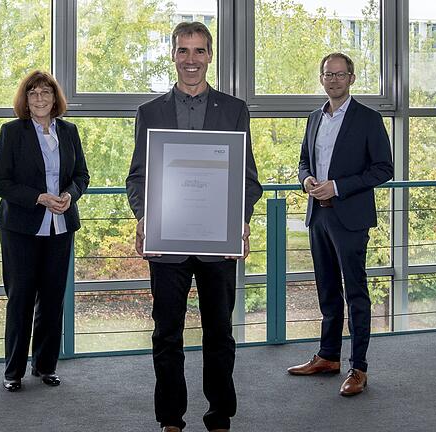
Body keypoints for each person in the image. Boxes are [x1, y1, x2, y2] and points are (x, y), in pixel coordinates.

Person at [126, 22, 262, 432]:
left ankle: (219, 414)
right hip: (167, 244)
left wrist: (239, 219)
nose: (191, 60)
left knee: (220, 336)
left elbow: (248, 179)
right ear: (172, 55)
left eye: (199, 51)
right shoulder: (149, 112)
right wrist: (144, 217)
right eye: (183, 51)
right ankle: (171, 417)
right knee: (167, 336)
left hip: (218, 244)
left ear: (209, 56)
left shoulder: (234, 109)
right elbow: (137, 178)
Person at [287, 53, 393, 396]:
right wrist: (307, 182)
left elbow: (384, 169)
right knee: (327, 290)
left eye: (339, 74)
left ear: (351, 78)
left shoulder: (368, 119)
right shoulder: (314, 118)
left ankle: (358, 368)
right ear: (321, 78)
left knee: (356, 292)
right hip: (318, 215)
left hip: (349, 216)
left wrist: (338, 186)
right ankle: (329, 356)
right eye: (327, 74)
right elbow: (304, 161)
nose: (333, 79)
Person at [0, 70, 89, 392]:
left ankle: (45, 366)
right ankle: (13, 372)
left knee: (52, 299)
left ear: (55, 98)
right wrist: (37, 198)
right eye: (33, 94)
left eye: (46, 93)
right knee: (20, 299)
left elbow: (81, 175)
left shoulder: (70, 132)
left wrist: (68, 196)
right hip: (20, 227)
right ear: (25, 100)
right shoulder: (12, 132)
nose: (40, 99)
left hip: (61, 227)